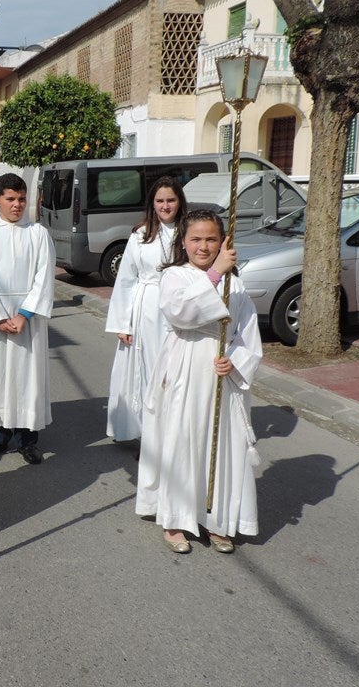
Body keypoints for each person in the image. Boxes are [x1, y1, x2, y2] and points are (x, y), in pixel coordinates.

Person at [136, 210, 261, 555]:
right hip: (185, 364)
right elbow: (181, 314)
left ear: (223, 241)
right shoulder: (175, 276)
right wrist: (215, 273)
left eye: (211, 239)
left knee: (221, 445)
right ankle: (176, 518)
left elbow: (248, 334)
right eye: (196, 239)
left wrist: (234, 360)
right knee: (183, 438)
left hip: (222, 372)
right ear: (183, 242)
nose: (203, 246)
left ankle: (217, 519)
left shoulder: (238, 285)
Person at [0, 173, 54, 464]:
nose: (17, 205)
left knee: (27, 378)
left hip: (27, 320)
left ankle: (28, 438)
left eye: (22, 199)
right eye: (10, 199)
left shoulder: (38, 234)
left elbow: (44, 275)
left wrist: (25, 314)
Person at [104, 177, 188, 442]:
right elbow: (126, 278)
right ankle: (145, 433)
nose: (165, 206)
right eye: (160, 200)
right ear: (152, 203)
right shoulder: (140, 234)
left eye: (171, 200)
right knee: (146, 371)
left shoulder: (188, 231)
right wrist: (123, 323)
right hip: (146, 311)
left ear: (179, 202)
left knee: (173, 372)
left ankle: (169, 433)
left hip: (178, 310)